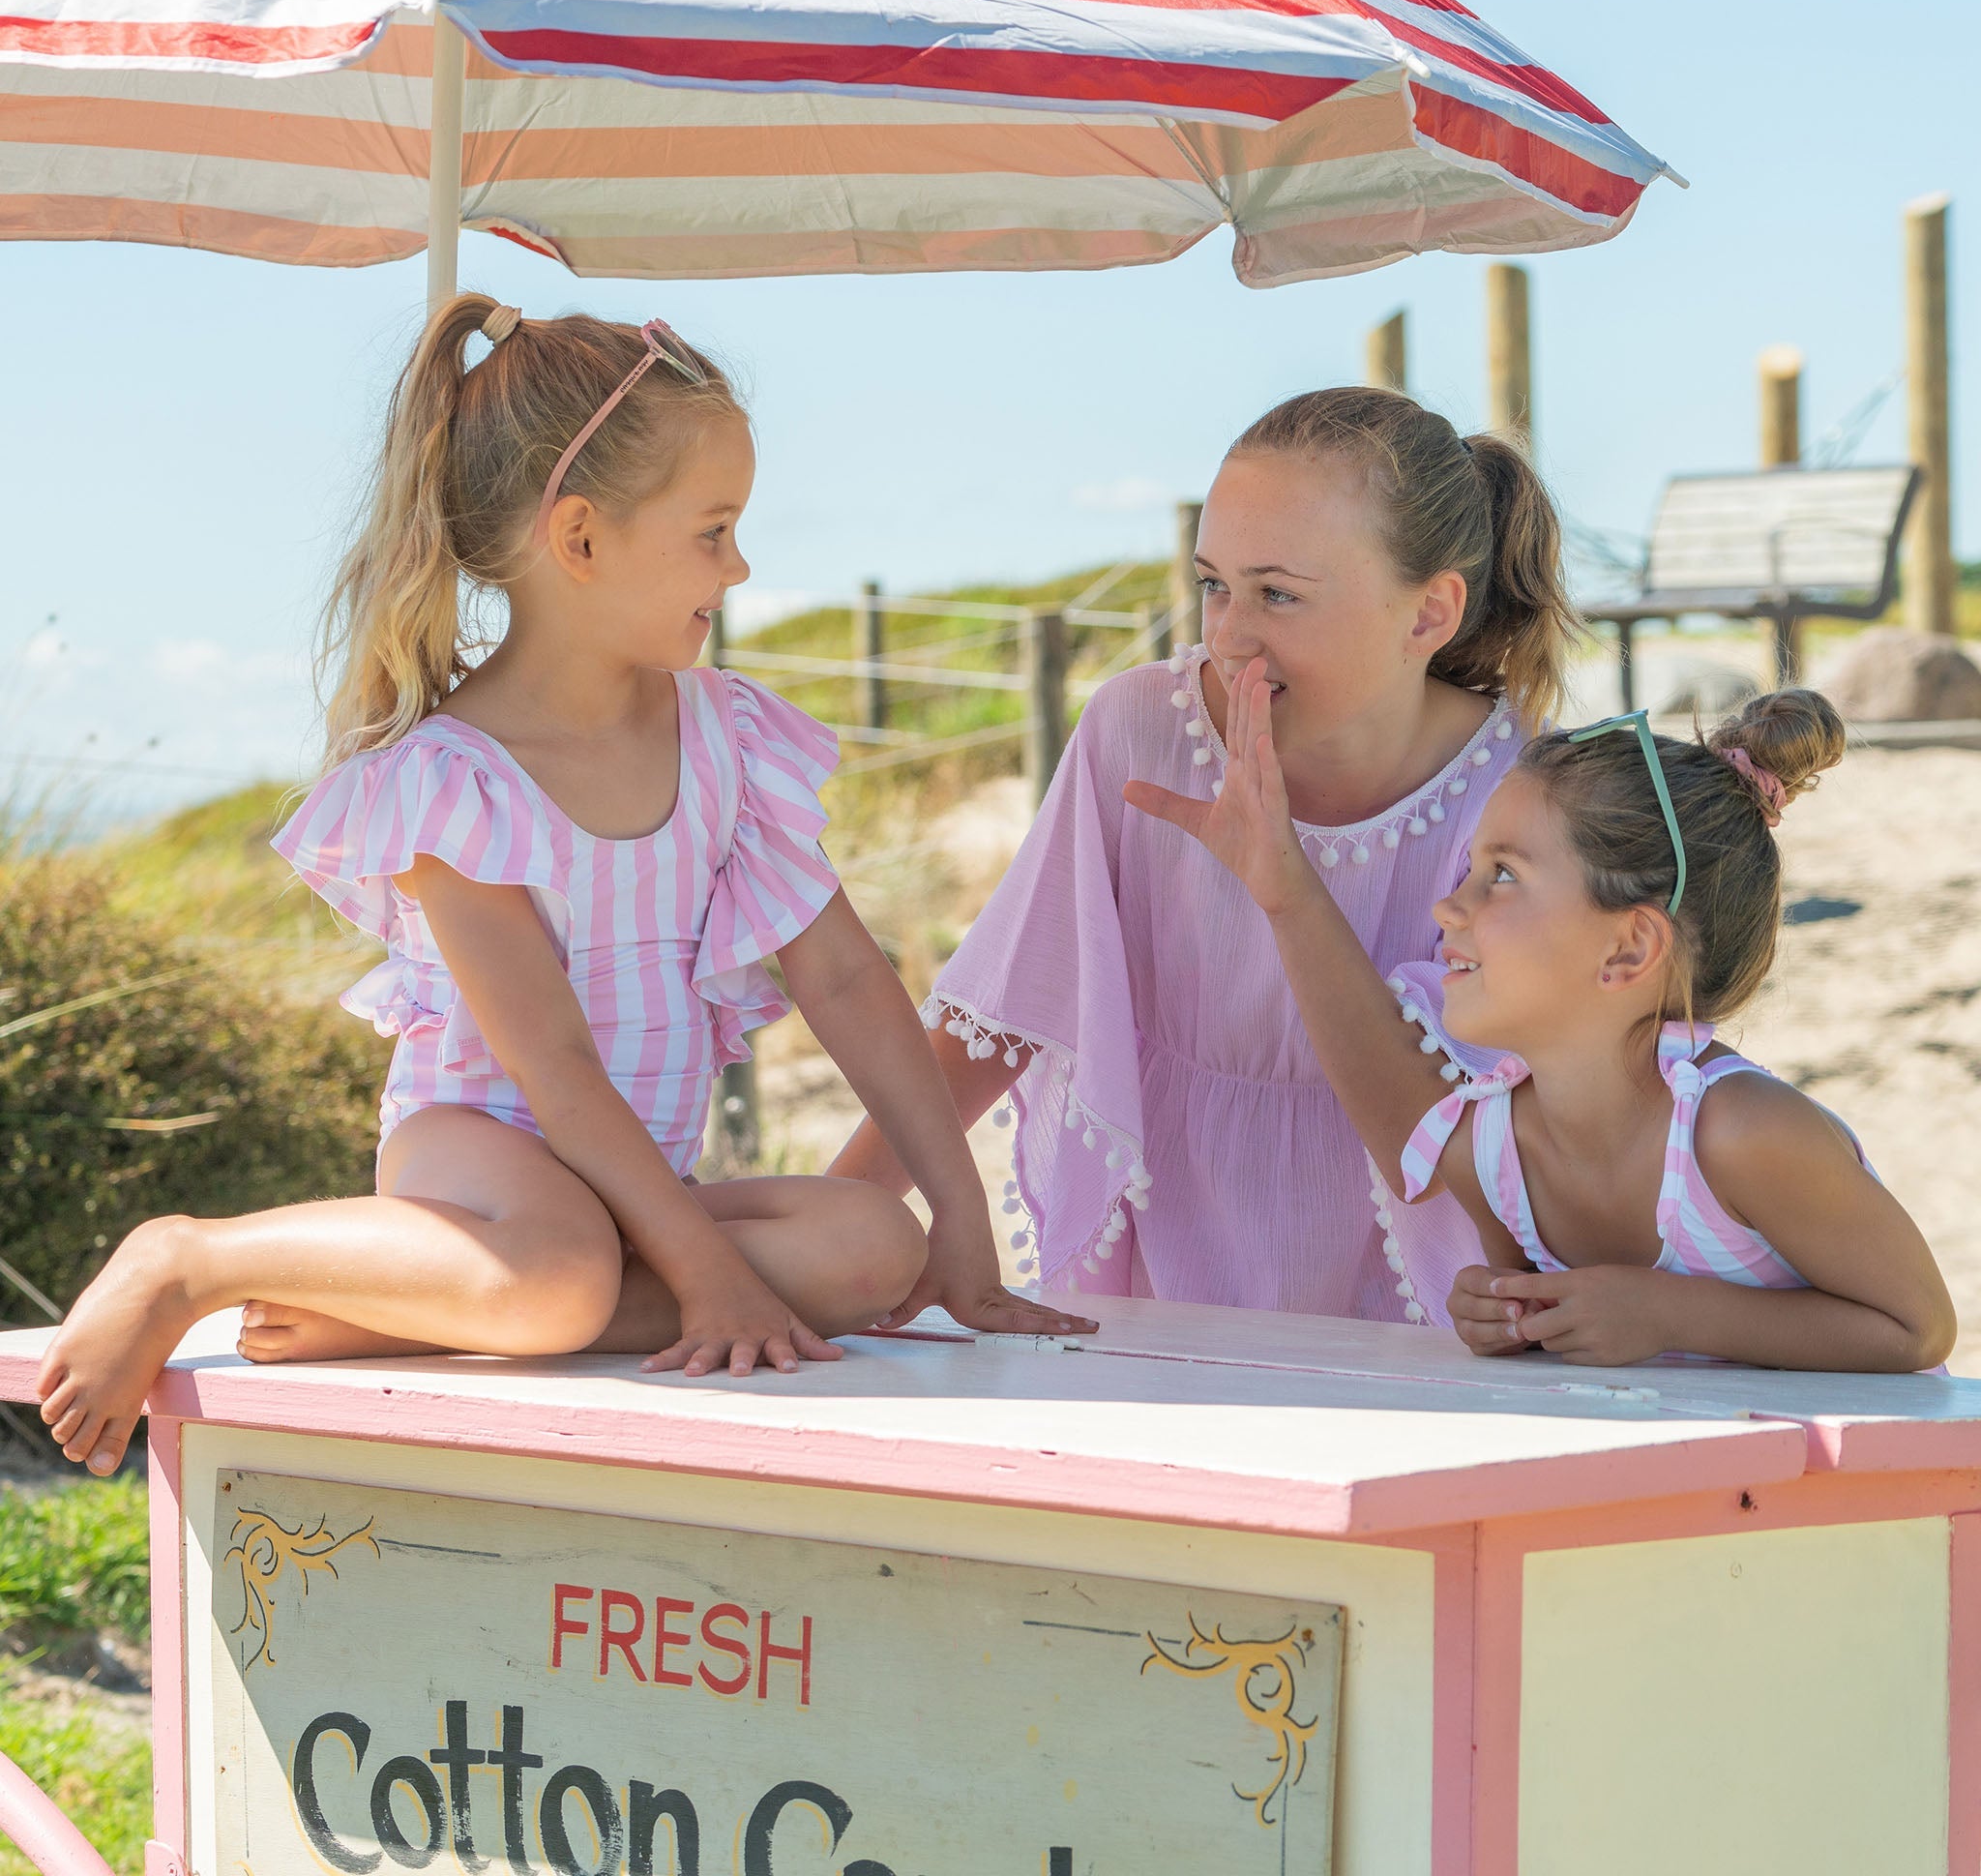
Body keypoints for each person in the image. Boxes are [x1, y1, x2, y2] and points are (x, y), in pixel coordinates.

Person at [38, 297, 1084, 1477]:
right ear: (579, 538)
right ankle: (195, 1255)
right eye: (713, 530)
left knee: (868, 1245)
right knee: (561, 1269)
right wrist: (705, 1274)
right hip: (482, 1158)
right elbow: (558, 1072)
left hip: (634, 1183)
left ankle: (414, 1314)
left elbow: (841, 974)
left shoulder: (729, 743)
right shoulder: (454, 785)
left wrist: (957, 1212)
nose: (739, 566)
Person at [833, 387, 1577, 1324]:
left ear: (1428, 613)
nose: (1226, 634)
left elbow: (1527, 1118)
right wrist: (832, 1218)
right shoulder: (1140, 729)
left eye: (1277, 593)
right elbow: (1009, 1007)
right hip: (1164, 1242)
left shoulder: (1520, 791)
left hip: (1423, 1286)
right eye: (1212, 582)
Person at [1133, 663, 1956, 1369]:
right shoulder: (1496, 1150)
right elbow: (1386, 1096)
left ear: (1629, 950)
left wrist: (1666, 1311)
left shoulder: (1742, 1133)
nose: (1447, 907)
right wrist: (1502, 1312)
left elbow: (1916, 1329)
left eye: (1502, 876)